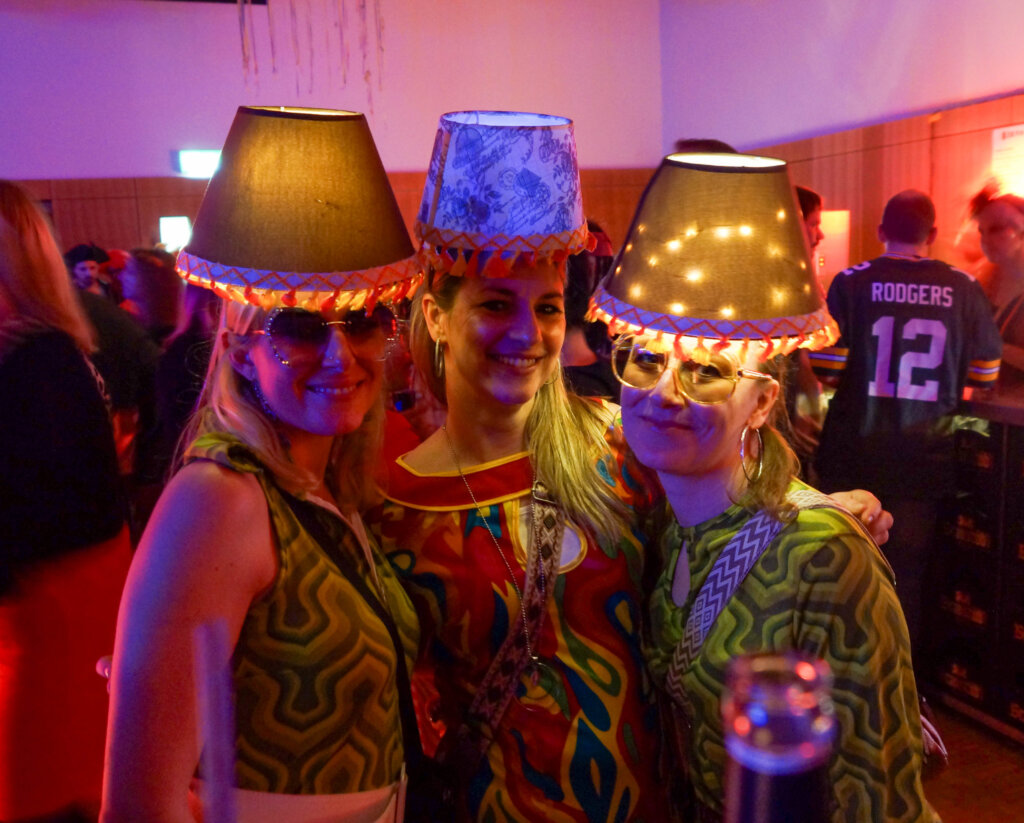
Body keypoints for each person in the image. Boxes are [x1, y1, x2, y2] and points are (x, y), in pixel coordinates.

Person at [372, 113, 891, 823]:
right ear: (435, 317)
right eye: (495, 304)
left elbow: (728, 499)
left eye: (548, 307)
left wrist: (817, 509)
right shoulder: (392, 501)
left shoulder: (619, 441)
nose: (528, 333)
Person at [101, 105, 422, 823]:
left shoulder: (317, 485)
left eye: (363, 321)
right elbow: (137, 807)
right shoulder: (219, 499)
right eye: (299, 328)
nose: (341, 356)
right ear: (240, 349)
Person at [595, 156, 938, 822]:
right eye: (645, 358)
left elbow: (881, 798)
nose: (664, 393)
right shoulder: (659, 520)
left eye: (707, 371)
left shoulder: (824, 556)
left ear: (761, 404)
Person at [813, 189, 1002, 657]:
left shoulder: (850, 281)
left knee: (840, 573)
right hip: (924, 454)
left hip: (853, 451)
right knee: (906, 580)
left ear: (881, 231)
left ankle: (839, 677)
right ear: (932, 233)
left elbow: (827, 369)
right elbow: (985, 374)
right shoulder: (964, 286)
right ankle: (900, 685)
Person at [0, 180, 131, 822]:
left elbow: (56, 511)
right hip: (62, 605)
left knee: (45, 786)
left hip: (51, 615)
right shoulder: (49, 352)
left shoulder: (38, 365)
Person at [969, 185, 1024, 375]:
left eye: (996, 230)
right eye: (981, 232)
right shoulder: (981, 278)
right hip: (983, 391)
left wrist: (996, 346)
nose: (985, 240)